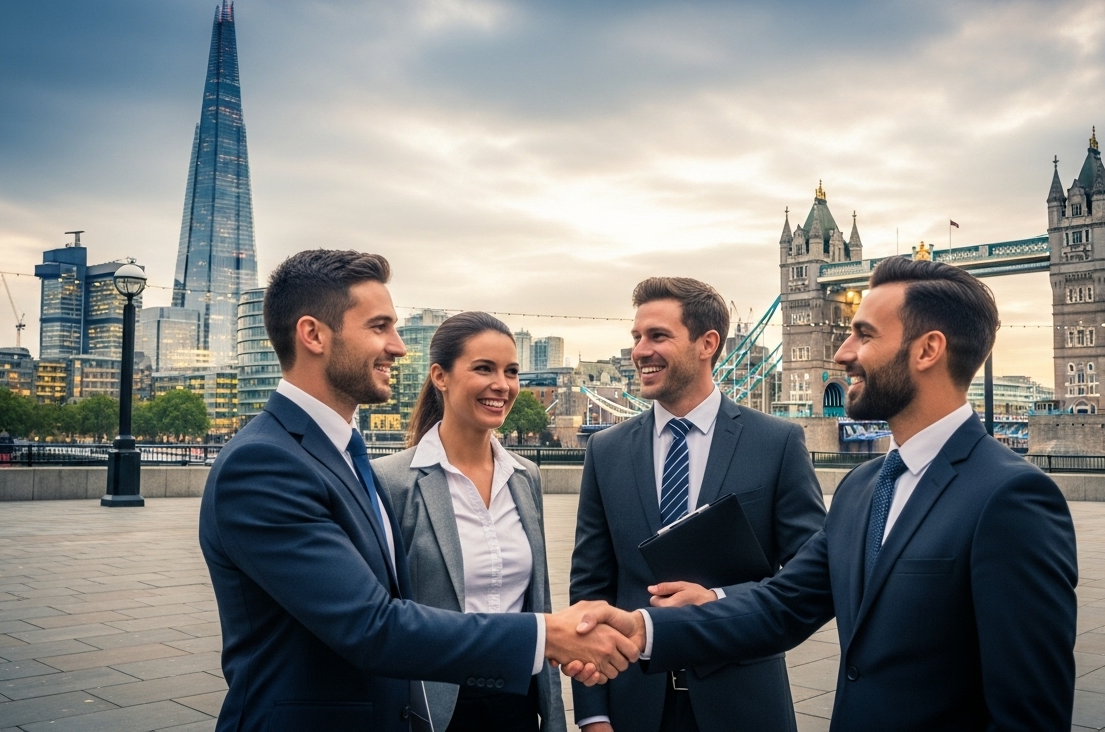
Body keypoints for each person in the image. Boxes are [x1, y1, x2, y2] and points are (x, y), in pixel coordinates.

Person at [590, 257, 1079, 731]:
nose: (842, 352)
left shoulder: (1012, 498)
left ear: (928, 349)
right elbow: (785, 603)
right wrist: (644, 630)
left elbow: (1029, 714)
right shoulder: (863, 488)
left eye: (864, 335)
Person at [199, 250, 639, 732]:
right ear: (313, 335)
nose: (399, 346)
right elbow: (372, 626)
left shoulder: (341, 451)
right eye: (379, 326)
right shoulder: (265, 463)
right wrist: (547, 635)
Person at [569, 277, 826, 732]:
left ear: (708, 343)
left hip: (743, 702)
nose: (640, 351)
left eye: (658, 336)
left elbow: (813, 579)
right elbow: (590, 587)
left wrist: (717, 599)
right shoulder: (605, 450)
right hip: (633, 706)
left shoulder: (777, 443)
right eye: (636, 337)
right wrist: (592, 712)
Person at [375, 312, 565, 732]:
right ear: (440, 376)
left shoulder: (525, 476)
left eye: (511, 371)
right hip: (435, 708)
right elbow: (384, 618)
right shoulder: (391, 481)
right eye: (484, 368)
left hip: (518, 702)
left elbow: (539, 601)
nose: (502, 384)